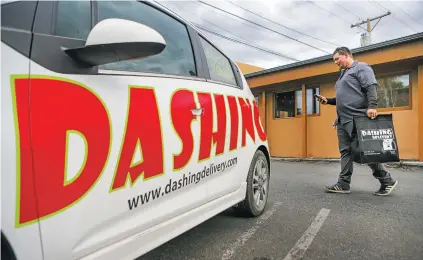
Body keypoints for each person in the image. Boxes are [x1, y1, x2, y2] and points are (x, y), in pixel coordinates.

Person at [315, 46, 398, 196]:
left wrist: (372, 106)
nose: (335, 62)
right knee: (345, 152)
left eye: (337, 59)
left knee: (365, 151)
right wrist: (328, 101)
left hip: (356, 118)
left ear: (346, 55)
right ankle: (343, 184)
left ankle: (387, 181)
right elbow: (343, 98)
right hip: (343, 120)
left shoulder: (361, 68)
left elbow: (370, 86)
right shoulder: (343, 74)